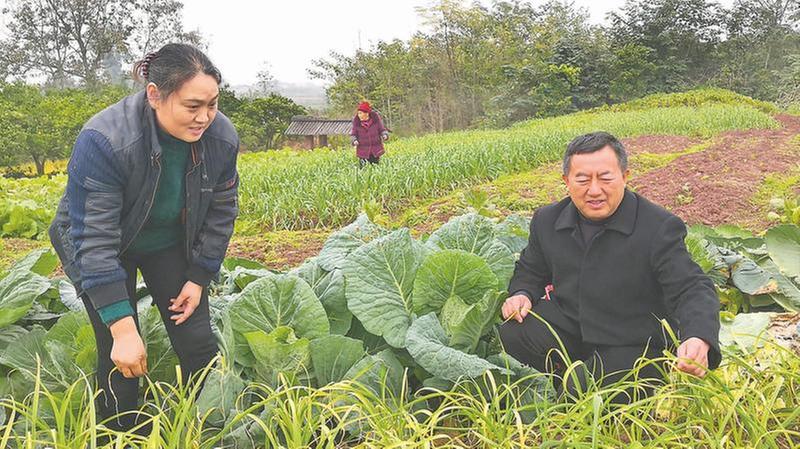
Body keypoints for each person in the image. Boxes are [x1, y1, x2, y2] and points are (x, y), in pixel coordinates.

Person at [48, 43, 239, 431]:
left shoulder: (221, 137)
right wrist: (121, 325)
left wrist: (200, 276)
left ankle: (208, 430)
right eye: (192, 106)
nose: (204, 117)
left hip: (165, 242)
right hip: (98, 246)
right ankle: (121, 434)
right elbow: (94, 237)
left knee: (198, 340)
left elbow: (221, 210)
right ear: (155, 94)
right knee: (120, 354)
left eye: (213, 104)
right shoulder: (104, 139)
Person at [499, 131, 720, 401]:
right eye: (582, 179)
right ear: (566, 181)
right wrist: (521, 293)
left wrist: (698, 336)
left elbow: (692, 286)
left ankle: (584, 383)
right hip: (572, 326)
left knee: (586, 395)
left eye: (605, 178)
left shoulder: (657, 227)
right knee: (515, 332)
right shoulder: (547, 220)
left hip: (631, 338)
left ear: (625, 176)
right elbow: (531, 270)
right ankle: (560, 376)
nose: (594, 190)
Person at [350, 101, 389, 167]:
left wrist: (384, 135)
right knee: (363, 170)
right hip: (363, 151)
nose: (359, 115)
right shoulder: (357, 123)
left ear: (367, 113)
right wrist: (354, 141)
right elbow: (353, 134)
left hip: (375, 150)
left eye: (361, 113)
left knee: (375, 168)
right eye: (358, 113)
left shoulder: (376, 121)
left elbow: (382, 130)